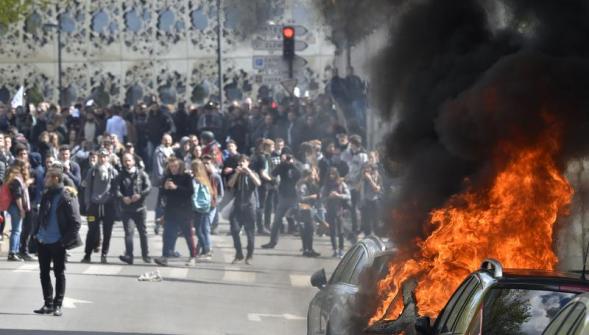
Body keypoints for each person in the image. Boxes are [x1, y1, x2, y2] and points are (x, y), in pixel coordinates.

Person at [32, 167, 82, 317]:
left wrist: (64, 242)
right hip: (43, 240)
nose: (45, 179)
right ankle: (48, 304)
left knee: (59, 273)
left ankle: (57, 305)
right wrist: (36, 234)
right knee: (44, 273)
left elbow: (76, 222)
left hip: (57, 242)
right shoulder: (46, 194)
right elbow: (41, 216)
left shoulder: (66, 196)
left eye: (48, 177)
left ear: (55, 179)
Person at [154, 157, 196, 267]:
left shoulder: (186, 177)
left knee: (188, 235)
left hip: (184, 211)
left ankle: (192, 256)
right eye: (171, 166)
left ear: (180, 166)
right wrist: (165, 187)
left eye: (175, 166)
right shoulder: (167, 177)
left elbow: (190, 192)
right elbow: (162, 194)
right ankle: (165, 257)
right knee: (167, 235)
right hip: (170, 211)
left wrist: (176, 187)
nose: (173, 168)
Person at [81, 148, 118, 264]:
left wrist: (114, 201)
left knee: (107, 231)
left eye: (105, 156)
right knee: (92, 230)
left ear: (108, 157)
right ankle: (87, 255)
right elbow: (87, 189)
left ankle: (104, 254)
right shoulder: (92, 171)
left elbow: (117, 188)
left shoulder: (113, 171)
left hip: (108, 207)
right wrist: (87, 203)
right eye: (100, 156)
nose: (102, 158)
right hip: (94, 207)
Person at [117, 153, 152, 265]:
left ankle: (145, 255)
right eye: (125, 161)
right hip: (127, 209)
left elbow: (148, 187)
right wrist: (123, 197)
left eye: (129, 160)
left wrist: (140, 195)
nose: (127, 163)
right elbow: (116, 190)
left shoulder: (141, 174)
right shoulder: (120, 175)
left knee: (143, 232)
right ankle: (129, 256)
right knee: (128, 232)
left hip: (140, 208)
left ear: (133, 161)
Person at [227, 154, 261, 265]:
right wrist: (237, 173)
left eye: (244, 161)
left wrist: (248, 172)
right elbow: (230, 184)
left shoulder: (253, 173)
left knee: (250, 232)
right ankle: (239, 254)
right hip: (237, 206)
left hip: (249, 206)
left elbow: (258, 183)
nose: (241, 163)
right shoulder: (236, 174)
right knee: (235, 230)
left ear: (248, 163)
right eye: (240, 162)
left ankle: (250, 255)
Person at [262, 154, 301, 249]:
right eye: (286, 158)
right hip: (283, 196)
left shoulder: (297, 165)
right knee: (277, 220)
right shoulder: (282, 166)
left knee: (300, 220)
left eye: (289, 158)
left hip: (295, 197)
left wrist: (292, 164)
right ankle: (272, 242)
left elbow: (300, 174)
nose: (287, 160)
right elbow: (273, 174)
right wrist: (282, 164)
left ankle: (307, 245)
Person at [321, 167, 351, 258]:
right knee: (332, 231)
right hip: (330, 210)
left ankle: (341, 249)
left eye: (333, 174)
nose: (331, 176)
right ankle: (335, 249)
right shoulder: (326, 185)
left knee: (341, 231)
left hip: (340, 210)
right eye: (330, 174)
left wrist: (338, 195)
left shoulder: (341, 184)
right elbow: (322, 198)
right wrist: (329, 197)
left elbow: (348, 196)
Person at [6, 159, 31, 261]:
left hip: (13, 206)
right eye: (25, 167)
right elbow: (18, 196)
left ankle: (14, 251)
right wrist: (21, 209)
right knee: (16, 230)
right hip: (15, 206)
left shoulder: (13, 177)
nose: (26, 169)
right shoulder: (16, 179)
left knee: (17, 230)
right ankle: (13, 252)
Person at [190, 159, 215, 264]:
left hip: (197, 207)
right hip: (205, 207)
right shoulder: (205, 179)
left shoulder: (195, 180)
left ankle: (206, 249)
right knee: (203, 229)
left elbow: (193, 193)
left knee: (199, 230)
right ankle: (206, 249)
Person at [152, 133, 174, 235]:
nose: (167, 142)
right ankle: (157, 224)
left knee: (170, 203)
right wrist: (162, 181)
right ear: (162, 141)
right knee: (161, 204)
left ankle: (167, 224)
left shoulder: (172, 151)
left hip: (171, 180)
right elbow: (158, 168)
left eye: (169, 140)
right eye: (165, 140)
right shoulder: (159, 152)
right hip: (163, 181)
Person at [296, 168, 321, 257]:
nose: (314, 177)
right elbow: (301, 198)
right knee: (308, 229)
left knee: (309, 229)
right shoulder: (303, 185)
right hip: (304, 208)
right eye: (313, 175)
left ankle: (309, 248)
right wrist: (311, 197)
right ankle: (307, 249)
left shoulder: (311, 184)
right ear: (308, 175)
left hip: (309, 208)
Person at [360, 163, 382, 237]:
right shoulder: (364, 178)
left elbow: (376, 189)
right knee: (366, 220)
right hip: (366, 200)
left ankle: (377, 235)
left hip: (375, 200)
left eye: (369, 169)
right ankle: (367, 235)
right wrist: (363, 178)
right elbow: (358, 188)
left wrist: (370, 180)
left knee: (376, 219)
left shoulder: (378, 177)